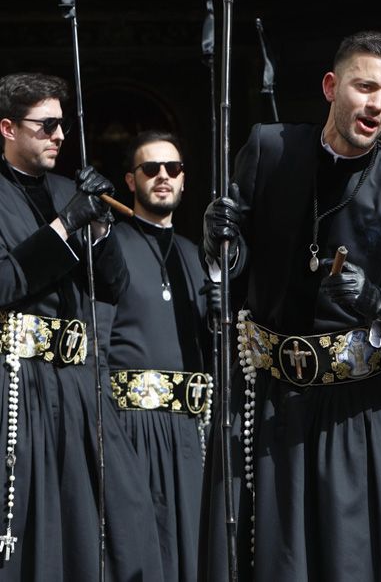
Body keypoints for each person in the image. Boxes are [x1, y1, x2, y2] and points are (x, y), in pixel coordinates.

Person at [200, 31, 381, 581]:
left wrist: (377, 303)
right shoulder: (270, 149)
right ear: (331, 86)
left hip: (355, 410)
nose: (376, 105)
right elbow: (238, 263)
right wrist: (221, 244)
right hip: (265, 400)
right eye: (365, 87)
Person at [0, 72, 164, 580]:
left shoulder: (68, 191)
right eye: (45, 126)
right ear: (8, 128)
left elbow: (113, 286)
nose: (59, 137)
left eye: (62, 126)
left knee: (115, 519)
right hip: (17, 385)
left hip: (78, 384)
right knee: (29, 518)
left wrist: (99, 228)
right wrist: (62, 227)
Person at [107, 130, 213, 582]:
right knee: (145, 553)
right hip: (133, 428)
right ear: (131, 181)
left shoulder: (199, 256)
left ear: (185, 180)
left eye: (173, 168)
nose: (163, 177)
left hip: (194, 431)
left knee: (196, 550)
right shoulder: (109, 245)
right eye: (151, 169)